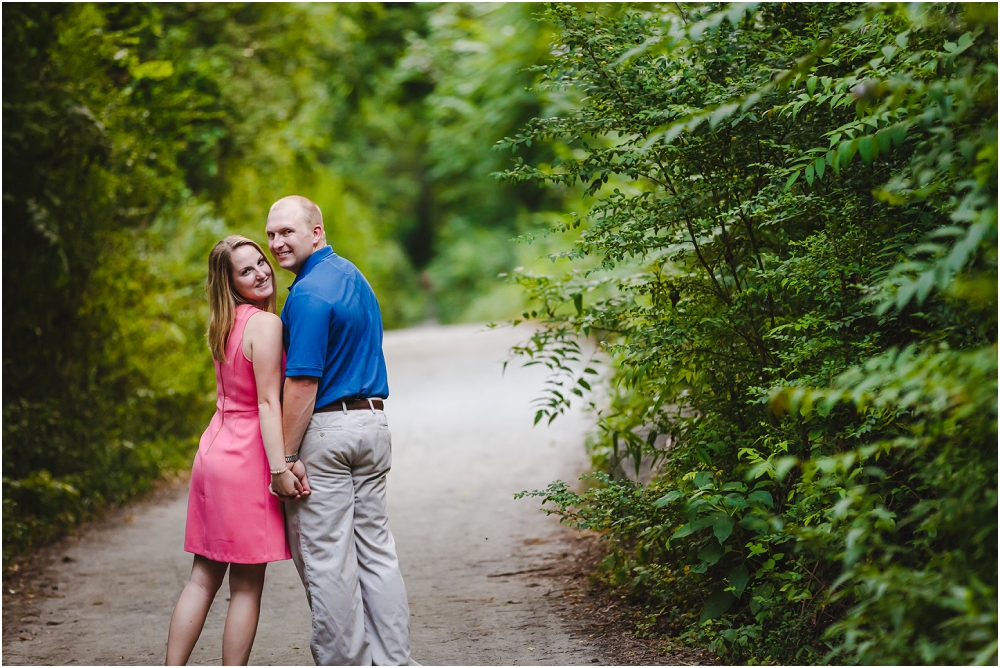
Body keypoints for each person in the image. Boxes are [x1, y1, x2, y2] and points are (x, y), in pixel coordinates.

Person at [265, 195, 414, 666]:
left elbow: (303, 383)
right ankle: (394, 660)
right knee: (376, 552)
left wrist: (285, 460)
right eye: (271, 234)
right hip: (373, 424)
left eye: (286, 232)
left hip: (329, 430)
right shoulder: (353, 277)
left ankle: (346, 663)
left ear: (316, 231)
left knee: (328, 559)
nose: (276, 243)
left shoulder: (307, 294)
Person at [166, 235, 304, 666]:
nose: (262, 272)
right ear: (230, 282)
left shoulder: (223, 324)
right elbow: (267, 402)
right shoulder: (265, 325)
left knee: (202, 578)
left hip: (213, 451)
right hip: (246, 459)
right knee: (245, 587)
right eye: (246, 271)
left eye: (261, 262)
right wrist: (281, 465)